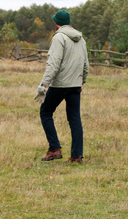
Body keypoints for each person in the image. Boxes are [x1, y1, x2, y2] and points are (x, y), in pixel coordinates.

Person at [35, 10, 89, 164]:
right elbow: (85, 65)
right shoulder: (81, 39)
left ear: (57, 24)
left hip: (60, 85)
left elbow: (54, 63)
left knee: (45, 112)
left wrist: (44, 84)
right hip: (75, 85)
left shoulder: (59, 38)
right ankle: (77, 156)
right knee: (74, 119)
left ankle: (54, 149)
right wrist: (81, 82)